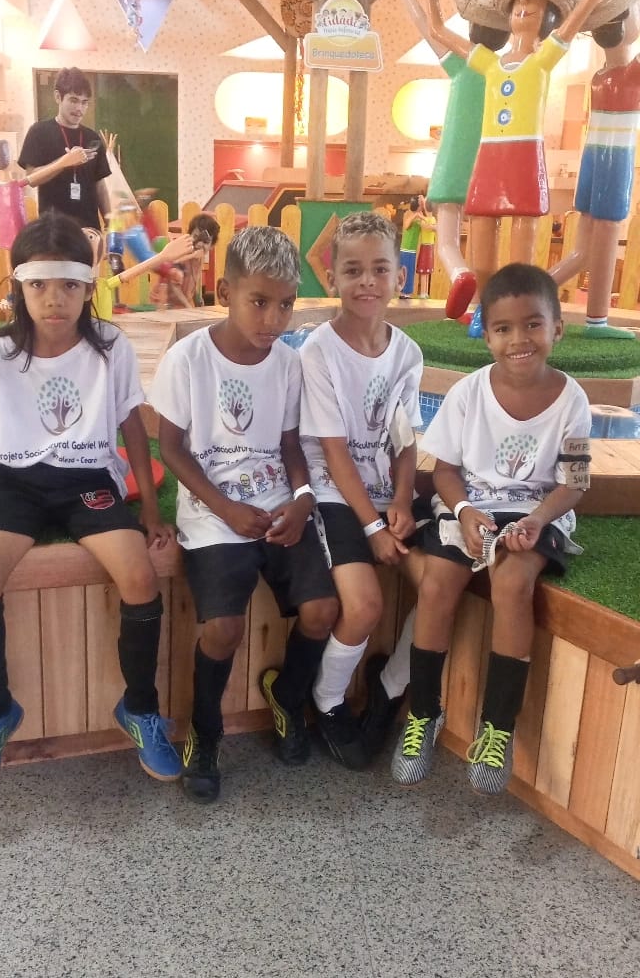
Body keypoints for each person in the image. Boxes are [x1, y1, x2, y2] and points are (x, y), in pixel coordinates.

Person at [0, 212, 181, 792]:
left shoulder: (110, 347)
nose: (54, 298)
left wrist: (149, 509)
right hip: (19, 484)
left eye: (68, 284)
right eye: (38, 284)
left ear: (88, 287)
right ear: (19, 286)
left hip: (90, 481)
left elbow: (131, 426)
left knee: (140, 574)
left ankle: (140, 709)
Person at [151, 226, 338, 805]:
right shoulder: (188, 359)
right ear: (226, 291)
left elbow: (289, 445)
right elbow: (171, 449)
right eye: (259, 302)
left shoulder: (288, 364)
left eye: (285, 305)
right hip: (214, 514)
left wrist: (302, 499)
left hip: (278, 507)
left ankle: (288, 695)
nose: (273, 319)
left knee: (322, 610)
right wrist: (226, 508)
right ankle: (205, 734)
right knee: (223, 628)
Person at [392, 263, 592, 795]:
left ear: (557, 328)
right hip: (472, 507)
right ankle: (423, 712)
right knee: (437, 583)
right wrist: (462, 512)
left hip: (535, 511)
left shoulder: (572, 399)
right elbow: (445, 472)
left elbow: (573, 484)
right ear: (487, 335)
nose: (518, 339)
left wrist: (538, 518)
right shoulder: (468, 392)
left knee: (512, 583)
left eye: (533, 324)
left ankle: (497, 726)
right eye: (503, 328)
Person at [409, 0, 640, 293]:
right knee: (481, 243)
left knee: (521, 253)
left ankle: (518, 304)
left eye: (532, 6)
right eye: (517, 4)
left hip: (524, 162)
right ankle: (482, 308)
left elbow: (587, 4)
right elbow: (435, 27)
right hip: (489, 160)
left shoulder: (544, 59)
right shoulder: (489, 64)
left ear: (547, 20)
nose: (522, 8)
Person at [299, 211, 427, 771]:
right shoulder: (318, 351)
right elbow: (333, 452)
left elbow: (404, 441)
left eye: (379, 269)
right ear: (333, 278)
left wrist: (400, 501)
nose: (367, 281)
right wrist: (373, 525)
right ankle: (327, 701)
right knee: (367, 604)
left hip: (383, 494)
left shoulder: (408, 353)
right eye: (353, 270)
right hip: (335, 494)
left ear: (400, 275)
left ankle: (391, 685)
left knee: (439, 585)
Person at [367, 0, 510, 319]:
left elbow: (419, 15)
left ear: (471, 28)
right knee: (487, 244)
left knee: (447, 240)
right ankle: (481, 311)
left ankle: (460, 273)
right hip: (492, 166)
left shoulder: (464, 64)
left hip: (454, 160)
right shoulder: (505, 70)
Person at [550, 0, 640, 335]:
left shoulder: (601, 75)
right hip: (613, 163)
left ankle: (530, 289)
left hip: (593, 158)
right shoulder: (629, 72)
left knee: (583, 250)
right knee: (604, 237)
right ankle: (597, 320)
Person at [18, 68, 111, 230]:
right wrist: (64, 162)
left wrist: (111, 224)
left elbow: (100, 185)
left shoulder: (92, 138)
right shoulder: (39, 132)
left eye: (84, 102)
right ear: (58, 97)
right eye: (73, 100)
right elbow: (31, 178)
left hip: (89, 229)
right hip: (53, 229)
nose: (79, 108)